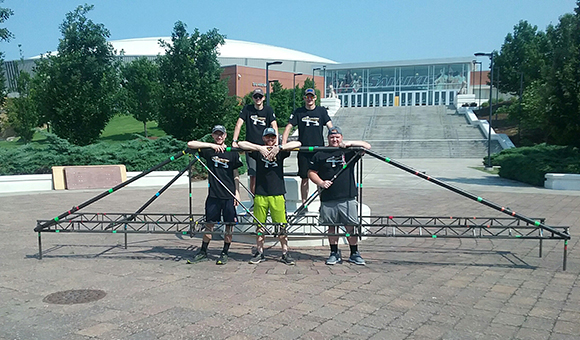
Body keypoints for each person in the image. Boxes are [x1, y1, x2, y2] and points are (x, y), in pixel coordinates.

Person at [308, 126, 371, 266]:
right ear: (328, 138)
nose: (334, 139)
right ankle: (334, 252)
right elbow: (311, 172)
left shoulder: (348, 152)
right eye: (332, 137)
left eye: (337, 137)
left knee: (350, 227)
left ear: (341, 137)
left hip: (347, 196)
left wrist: (349, 144)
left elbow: (367, 146)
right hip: (328, 197)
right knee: (331, 227)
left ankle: (354, 253)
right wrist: (321, 182)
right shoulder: (320, 154)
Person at [238, 127, 301, 265]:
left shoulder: (280, 152)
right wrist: (259, 148)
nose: (270, 140)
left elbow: (298, 144)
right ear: (263, 138)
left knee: (281, 226)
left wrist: (279, 147)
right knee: (259, 226)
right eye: (268, 137)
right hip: (260, 194)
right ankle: (260, 252)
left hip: (277, 194)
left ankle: (285, 252)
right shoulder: (259, 151)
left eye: (273, 137)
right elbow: (240, 144)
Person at [186, 125, 243, 265]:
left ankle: (225, 252)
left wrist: (237, 193)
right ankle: (203, 251)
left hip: (228, 195)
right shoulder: (209, 151)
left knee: (229, 226)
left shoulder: (232, 152)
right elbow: (190, 144)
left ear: (225, 136)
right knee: (209, 224)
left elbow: (236, 174)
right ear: (213, 136)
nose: (219, 137)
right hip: (213, 196)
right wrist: (211, 145)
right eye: (216, 134)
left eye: (221, 134)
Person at [282, 88, 333, 205]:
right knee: (304, 178)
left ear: (315, 98)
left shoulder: (321, 111)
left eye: (311, 96)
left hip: (318, 151)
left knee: (320, 178)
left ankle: (323, 203)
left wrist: (336, 140)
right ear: (304, 98)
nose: (309, 99)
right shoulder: (299, 112)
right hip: (304, 150)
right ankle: (304, 204)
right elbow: (289, 126)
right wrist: (283, 144)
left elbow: (331, 126)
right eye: (307, 96)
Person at [232, 88, 278, 195]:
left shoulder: (268, 110)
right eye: (255, 97)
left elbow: (274, 125)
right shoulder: (247, 109)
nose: (258, 99)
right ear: (252, 98)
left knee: (268, 173)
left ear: (263, 98)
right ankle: (255, 199)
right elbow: (239, 124)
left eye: (260, 97)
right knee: (253, 175)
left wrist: (276, 144)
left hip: (266, 147)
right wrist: (235, 140)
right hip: (252, 147)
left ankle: (268, 196)